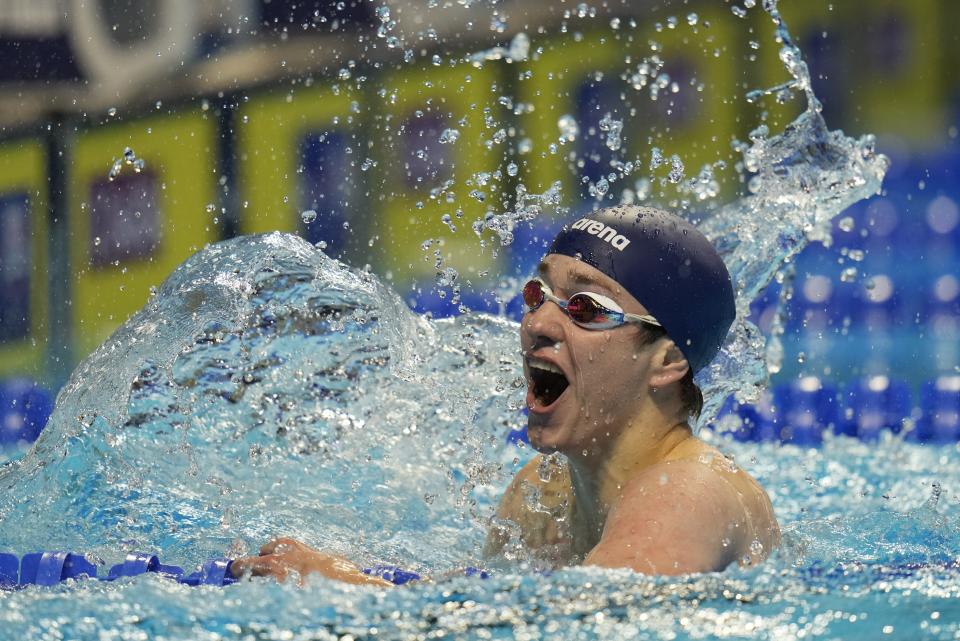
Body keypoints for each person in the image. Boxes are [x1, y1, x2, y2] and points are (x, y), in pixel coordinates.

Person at [231, 205, 780, 584]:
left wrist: (354, 593)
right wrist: (345, 574)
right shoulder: (545, 494)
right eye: (538, 293)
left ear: (667, 361)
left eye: (585, 307)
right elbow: (479, 606)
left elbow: (582, 630)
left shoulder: (685, 494)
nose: (538, 322)